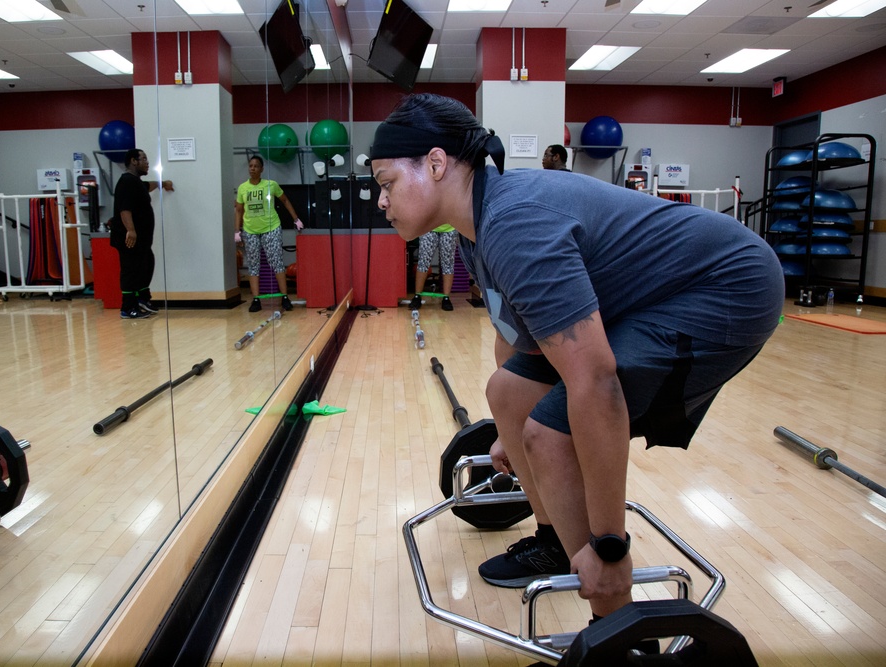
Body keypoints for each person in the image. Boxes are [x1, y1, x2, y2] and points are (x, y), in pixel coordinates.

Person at [369, 94, 783, 627]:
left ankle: (616, 628)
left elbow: (596, 381)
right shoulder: (478, 223)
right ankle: (555, 543)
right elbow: (514, 337)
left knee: (551, 434)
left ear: (435, 163)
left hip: (728, 289)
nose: (382, 201)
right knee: (508, 395)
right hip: (657, 293)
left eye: (386, 184)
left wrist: (610, 544)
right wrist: (507, 430)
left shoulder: (514, 224)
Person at [235, 155, 303, 313]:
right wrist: (237, 231)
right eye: (250, 166)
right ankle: (256, 299)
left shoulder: (271, 185)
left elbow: (285, 200)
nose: (252, 168)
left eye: (256, 166)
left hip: (271, 228)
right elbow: (239, 209)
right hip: (251, 230)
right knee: (253, 265)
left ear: (261, 169)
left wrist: (296, 219)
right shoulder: (243, 188)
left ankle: (285, 297)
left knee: (276, 262)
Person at [111, 148, 173, 320]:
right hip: (129, 238)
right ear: (133, 161)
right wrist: (131, 230)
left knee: (146, 265)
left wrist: (162, 183)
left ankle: (142, 299)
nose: (147, 162)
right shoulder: (126, 182)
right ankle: (128, 307)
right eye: (144, 159)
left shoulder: (136, 182)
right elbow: (124, 209)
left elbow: (148, 186)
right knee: (130, 271)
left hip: (142, 241)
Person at [408, 224, 458, 311]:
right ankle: (417, 296)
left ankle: (446, 298)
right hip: (428, 227)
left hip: (449, 228)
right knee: (423, 262)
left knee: (448, 263)